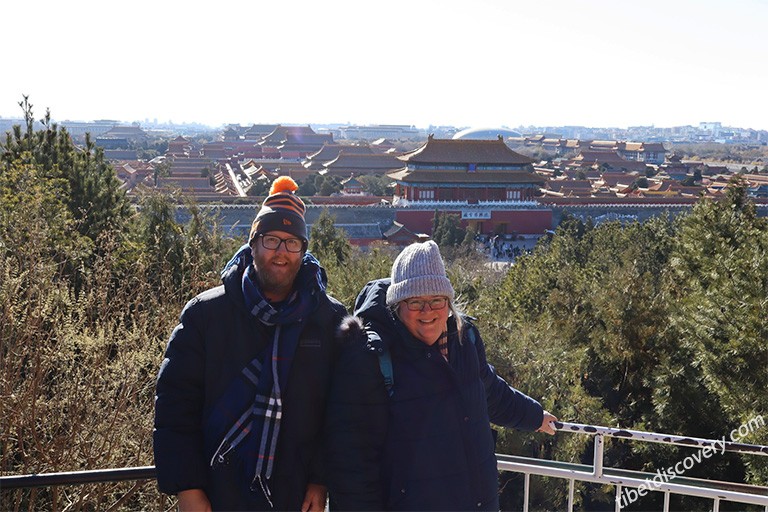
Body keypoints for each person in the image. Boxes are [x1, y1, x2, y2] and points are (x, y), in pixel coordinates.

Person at [154, 176, 347, 511]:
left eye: (293, 243)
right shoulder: (207, 315)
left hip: (295, 493)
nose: (281, 253)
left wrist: (321, 478)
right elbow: (175, 405)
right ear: (253, 243)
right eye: (272, 240)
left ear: (304, 250)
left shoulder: (328, 320)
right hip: (217, 492)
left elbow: (340, 409)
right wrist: (187, 488)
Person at [325, 240, 557, 511]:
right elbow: (352, 464)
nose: (428, 312)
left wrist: (534, 415)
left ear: (448, 303)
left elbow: (488, 390)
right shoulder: (371, 357)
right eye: (415, 302)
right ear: (397, 306)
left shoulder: (464, 339)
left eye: (436, 300)